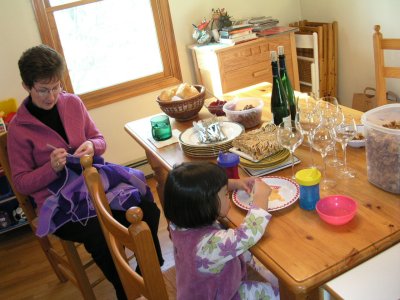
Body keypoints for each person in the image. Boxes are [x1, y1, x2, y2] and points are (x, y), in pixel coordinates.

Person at [8, 44, 164, 300]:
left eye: (56, 87)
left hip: (95, 185)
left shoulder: (72, 103)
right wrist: (52, 168)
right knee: (99, 235)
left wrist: (92, 145)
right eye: (43, 90)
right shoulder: (19, 129)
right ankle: (127, 289)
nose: (51, 96)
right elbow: (22, 183)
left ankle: (148, 270)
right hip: (60, 205)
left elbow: (99, 139)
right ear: (27, 86)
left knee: (148, 207)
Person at [163, 162, 279, 300]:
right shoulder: (208, 246)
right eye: (225, 194)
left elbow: (203, 191)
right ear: (205, 205)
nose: (228, 196)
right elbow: (248, 234)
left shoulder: (180, 221)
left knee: (247, 253)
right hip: (221, 295)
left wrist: (236, 183)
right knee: (278, 294)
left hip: (198, 287)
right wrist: (261, 197)